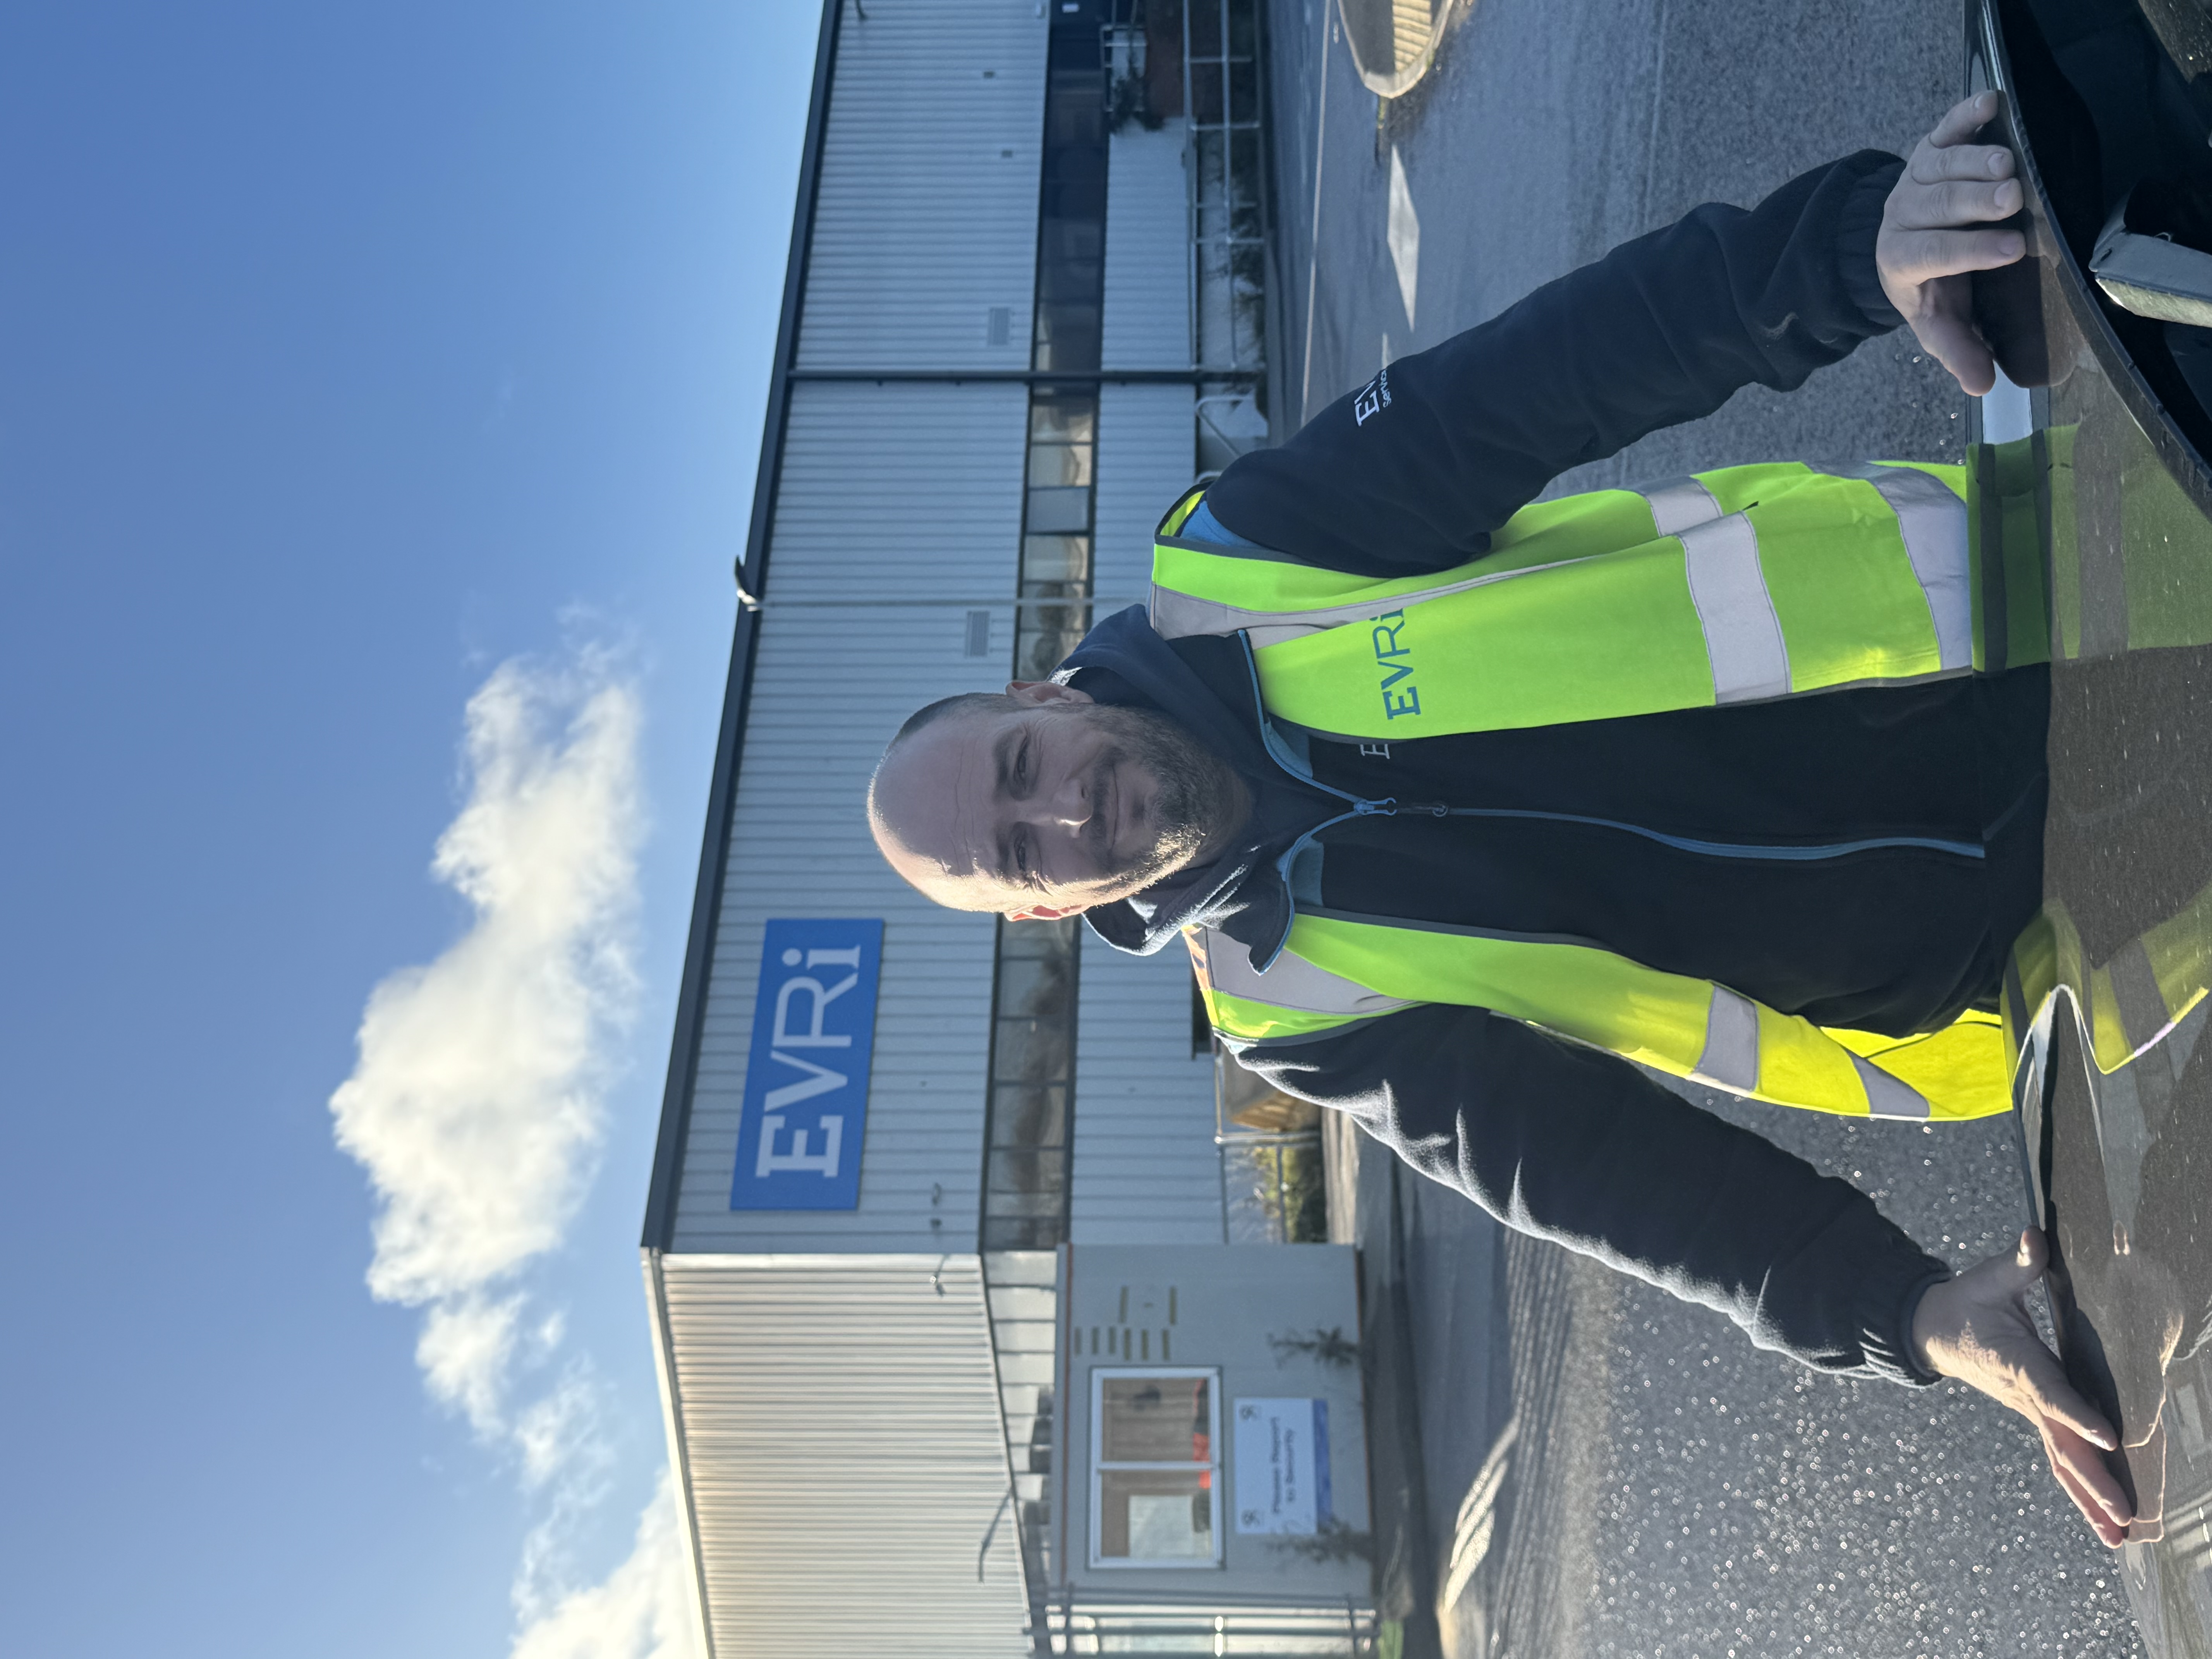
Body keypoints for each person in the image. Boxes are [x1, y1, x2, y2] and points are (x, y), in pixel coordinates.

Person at [868, 94, 2136, 1546]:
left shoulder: (1253, 559)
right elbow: (1590, 1175)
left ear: (1039, 690)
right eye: (1019, 847)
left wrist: (1853, 249)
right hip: (2019, 956)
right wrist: (1898, 1312)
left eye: (1022, 762)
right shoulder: (1294, 1009)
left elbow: (1562, 366)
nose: (1063, 809)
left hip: (2015, 621)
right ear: (1040, 907)